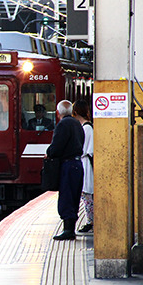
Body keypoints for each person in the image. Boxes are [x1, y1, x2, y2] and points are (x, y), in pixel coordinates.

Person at [45, 100, 84, 241]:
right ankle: (70, 228)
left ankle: (68, 230)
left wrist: (49, 152)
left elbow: (56, 147)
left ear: (58, 113)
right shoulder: (77, 123)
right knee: (74, 196)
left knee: (66, 196)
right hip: (77, 164)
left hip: (67, 165)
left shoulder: (63, 125)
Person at [73, 100, 93, 233]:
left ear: (75, 112)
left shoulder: (86, 128)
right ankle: (89, 220)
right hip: (84, 162)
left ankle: (90, 221)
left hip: (86, 163)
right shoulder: (86, 127)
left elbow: (86, 149)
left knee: (87, 194)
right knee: (85, 194)